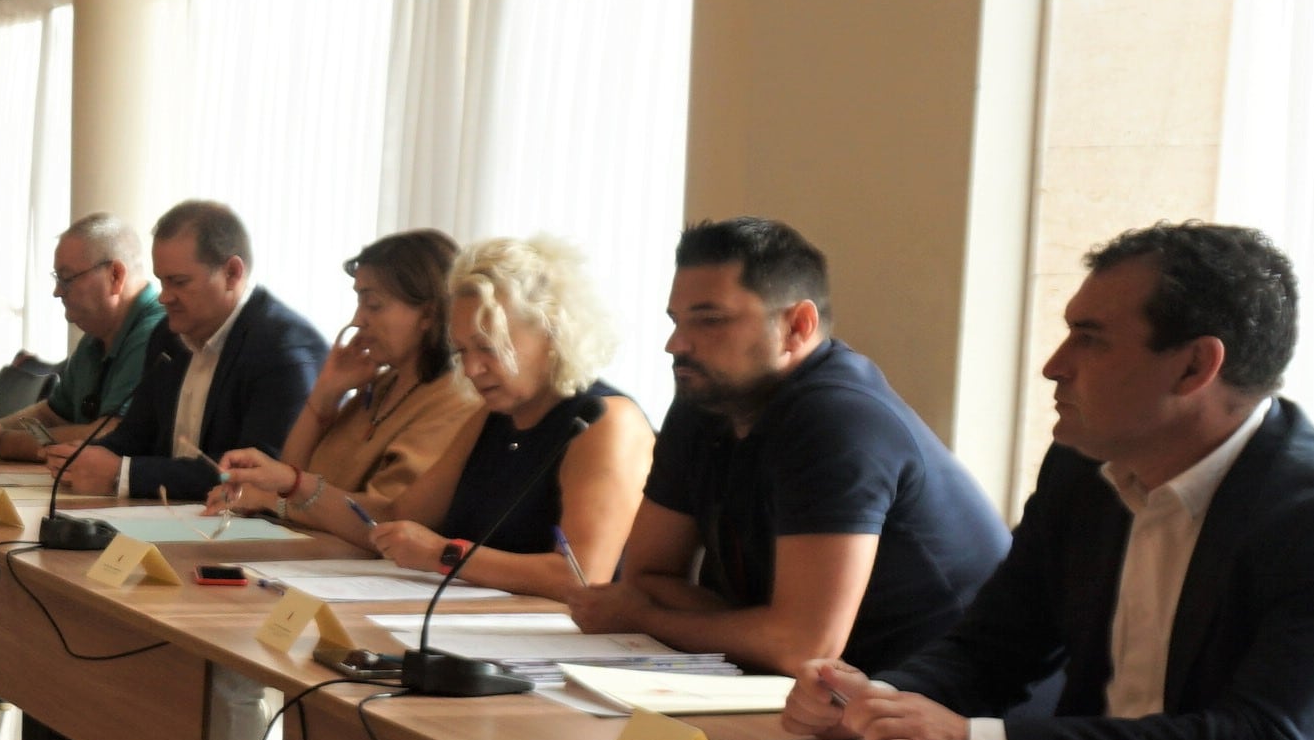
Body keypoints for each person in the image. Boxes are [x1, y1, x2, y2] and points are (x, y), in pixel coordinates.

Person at [783, 222, 1314, 740]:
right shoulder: (1083, 470)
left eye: (1089, 340)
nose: (1053, 366)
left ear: (1193, 368)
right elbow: (991, 651)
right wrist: (874, 701)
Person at [567, 218, 1008, 676]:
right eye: (676, 321)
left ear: (798, 326)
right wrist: (759, 630)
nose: (676, 344)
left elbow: (803, 647)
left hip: (945, 705)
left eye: (710, 320)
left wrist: (644, 620)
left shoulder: (838, 420)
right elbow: (648, 579)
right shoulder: (705, 400)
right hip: (810, 693)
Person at [331, 236, 651, 598]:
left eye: (488, 347)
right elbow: (397, 518)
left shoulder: (606, 421)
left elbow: (581, 575)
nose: (470, 368)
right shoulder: (493, 416)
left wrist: (442, 554)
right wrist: (293, 487)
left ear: (553, 332)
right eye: (462, 350)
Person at [204, 231, 483, 539]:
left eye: (373, 305)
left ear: (428, 314)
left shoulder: (456, 399)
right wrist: (325, 394)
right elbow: (295, 470)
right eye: (359, 302)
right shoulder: (383, 384)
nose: (358, 319)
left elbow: (383, 516)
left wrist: (272, 500)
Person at [61, 201, 329, 502]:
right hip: (166, 518)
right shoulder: (168, 336)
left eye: (179, 282)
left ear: (232, 273)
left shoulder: (283, 350)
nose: (164, 297)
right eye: (161, 281)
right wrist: (85, 457)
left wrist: (125, 474)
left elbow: (257, 474)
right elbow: (135, 435)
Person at [0, 213, 160, 462]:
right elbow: (53, 414)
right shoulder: (96, 336)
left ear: (115, 275)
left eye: (67, 278)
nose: (57, 291)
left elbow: (110, 435)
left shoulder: (155, 333)